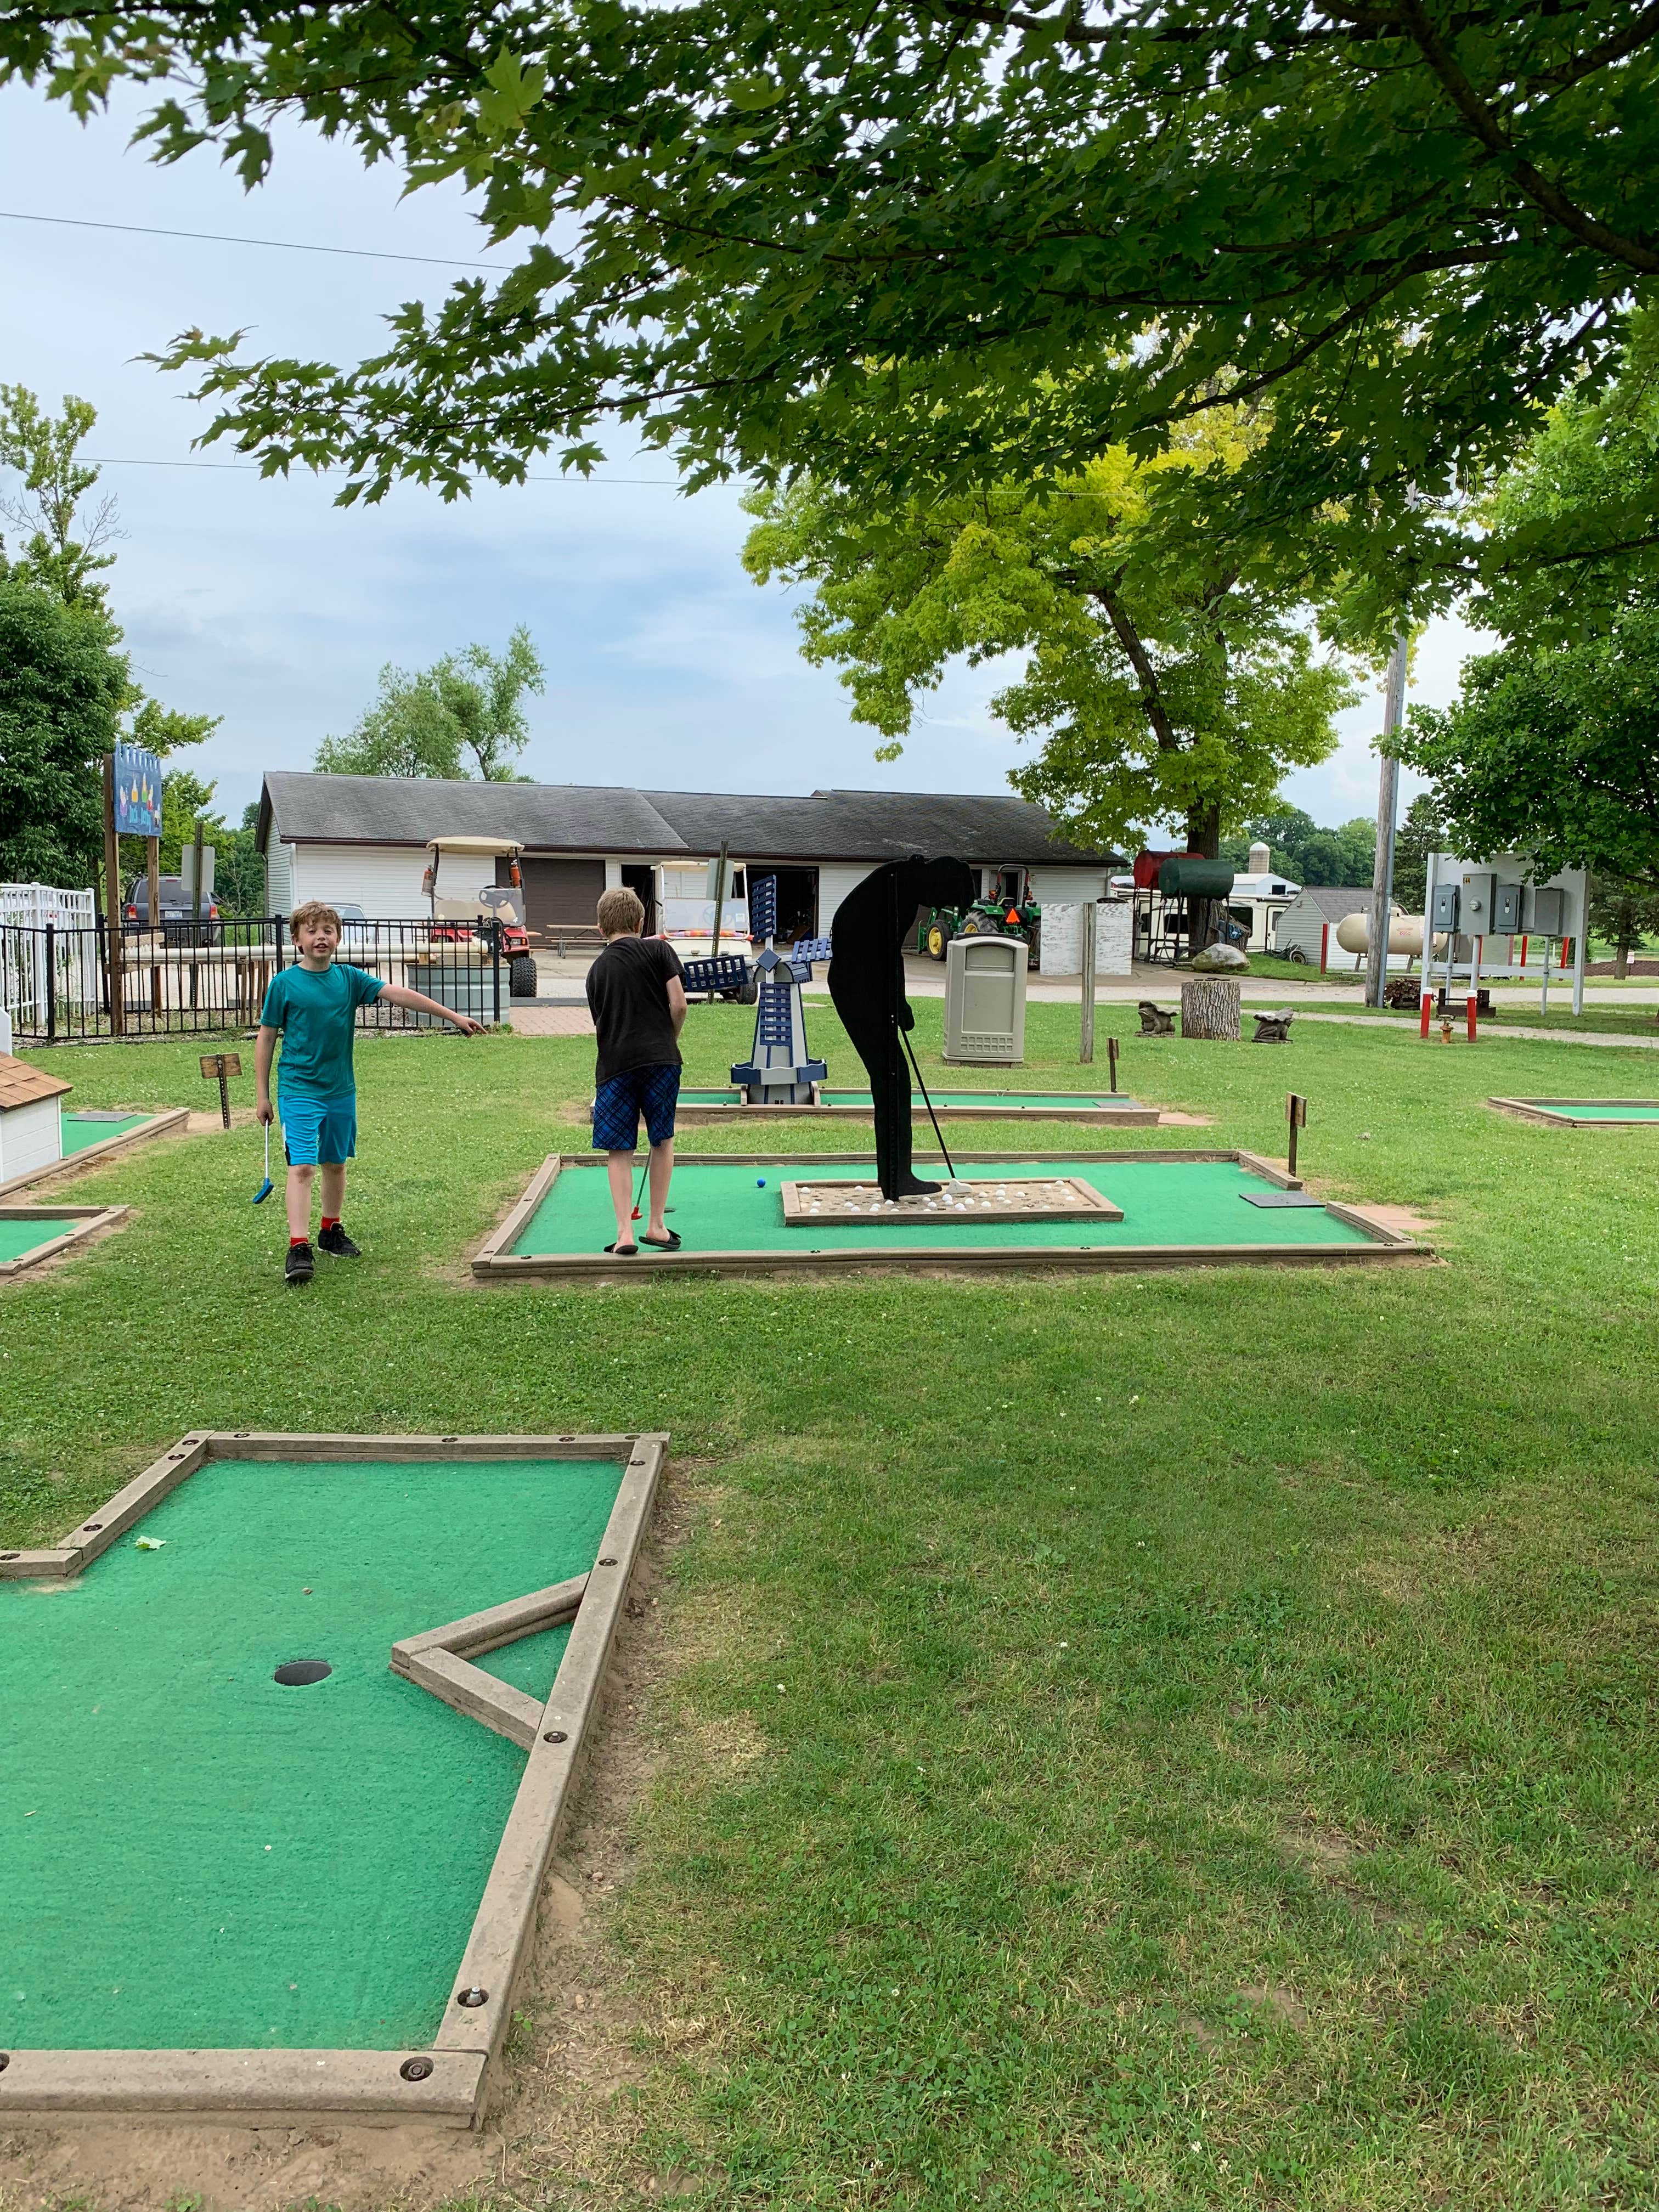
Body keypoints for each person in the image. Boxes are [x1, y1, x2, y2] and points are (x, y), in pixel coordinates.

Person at [256, 900, 482, 1285]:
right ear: (297, 940)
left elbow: (400, 995)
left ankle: (330, 1230)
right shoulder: (284, 985)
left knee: (336, 1163)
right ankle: (299, 1246)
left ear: (338, 937)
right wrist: (262, 1094)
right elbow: (266, 1039)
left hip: (340, 1090)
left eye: (327, 930)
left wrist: (453, 1016)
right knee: (303, 1167)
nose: (320, 937)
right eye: (311, 931)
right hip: (298, 1090)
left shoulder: (348, 979)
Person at [828, 854, 977, 1199]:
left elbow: (886, 954)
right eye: (947, 900)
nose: (941, 908)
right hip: (858, 987)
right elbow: (887, 956)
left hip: (862, 983)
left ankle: (895, 1176)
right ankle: (897, 1179)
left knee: (893, 1079)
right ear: (941, 882)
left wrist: (898, 1003)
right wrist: (897, 1003)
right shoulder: (900, 888)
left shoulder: (901, 880)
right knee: (893, 1079)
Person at [585, 885, 688, 1254]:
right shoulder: (660, 950)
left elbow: (602, 1022)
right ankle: (657, 1225)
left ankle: (625, 1234)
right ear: (642, 922)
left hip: (615, 1067)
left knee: (618, 1149)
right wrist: (668, 1040)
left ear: (601, 929)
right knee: (661, 1139)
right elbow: (679, 1005)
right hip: (661, 1060)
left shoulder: (597, 970)